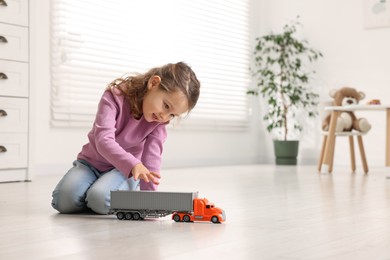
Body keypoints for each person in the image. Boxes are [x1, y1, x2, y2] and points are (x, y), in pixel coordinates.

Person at [51, 62, 200, 214]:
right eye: (166, 106)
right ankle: (95, 193)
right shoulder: (114, 96)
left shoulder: (159, 122)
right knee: (64, 201)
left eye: (172, 114)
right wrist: (133, 164)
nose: (165, 116)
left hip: (124, 171)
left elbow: (151, 161)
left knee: (100, 199)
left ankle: (109, 191)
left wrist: (149, 202)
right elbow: (103, 140)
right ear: (153, 83)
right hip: (91, 164)